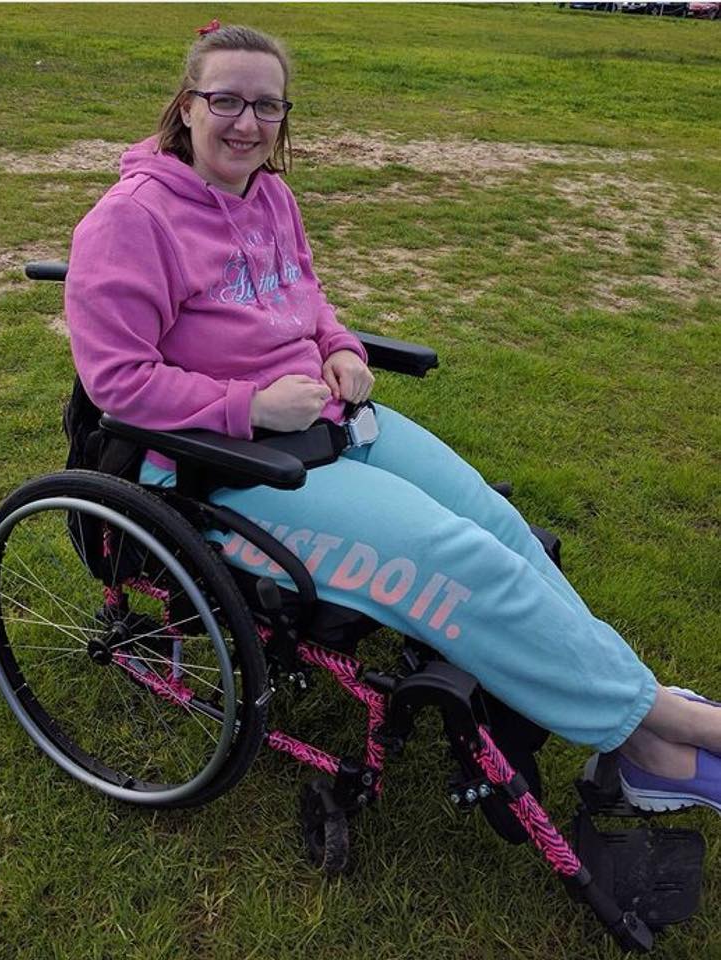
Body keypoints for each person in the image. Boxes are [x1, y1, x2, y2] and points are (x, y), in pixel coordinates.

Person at [64, 21, 721, 816]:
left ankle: (635, 723)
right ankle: (659, 722)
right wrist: (246, 407)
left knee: (496, 524)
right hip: (222, 467)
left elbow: (306, 299)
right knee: (454, 558)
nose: (247, 123)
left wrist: (340, 348)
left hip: (331, 418)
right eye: (226, 100)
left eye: (267, 106)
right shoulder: (131, 221)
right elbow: (116, 383)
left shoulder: (271, 195)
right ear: (187, 104)